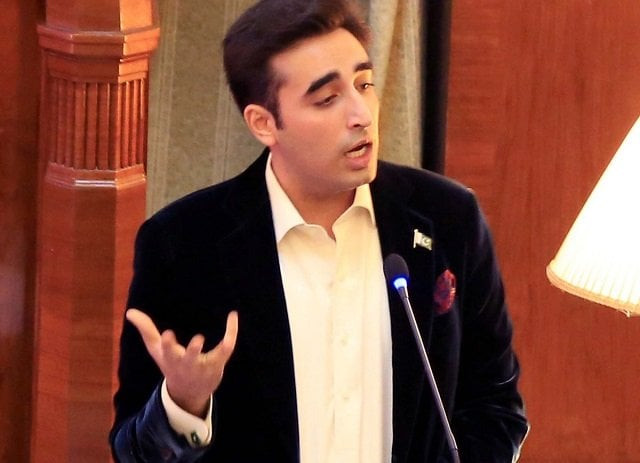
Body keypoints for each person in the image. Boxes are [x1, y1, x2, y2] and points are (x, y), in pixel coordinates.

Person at [109, 0, 529, 461]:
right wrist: (182, 405)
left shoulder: (448, 218)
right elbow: (132, 452)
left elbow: (496, 405)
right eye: (328, 98)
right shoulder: (183, 245)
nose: (361, 114)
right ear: (264, 123)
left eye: (364, 84)